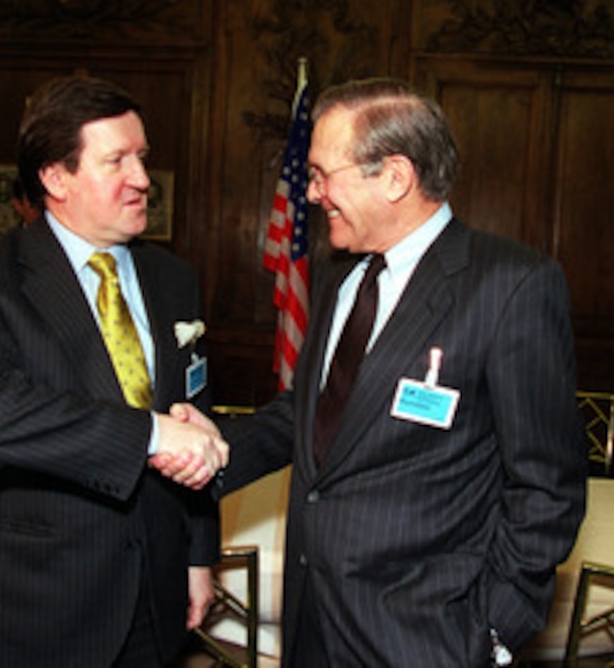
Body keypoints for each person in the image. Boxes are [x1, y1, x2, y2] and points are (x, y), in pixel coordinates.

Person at [156, 78, 587, 666]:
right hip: (312, 622)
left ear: (394, 176)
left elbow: (546, 487)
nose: (309, 194)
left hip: (427, 637)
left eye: (321, 174)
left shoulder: (510, 285)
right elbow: (309, 418)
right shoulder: (342, 279)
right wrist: (210, 446)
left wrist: (493, 632)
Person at [0, 75, 228, 668]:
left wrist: (199, 556)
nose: (143, 179)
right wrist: (148, 435)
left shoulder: (174, 280)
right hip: (33, 607)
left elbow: (195, 417)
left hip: (155, 601)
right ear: (55, 177)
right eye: (116, 160)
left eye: (142, 157)